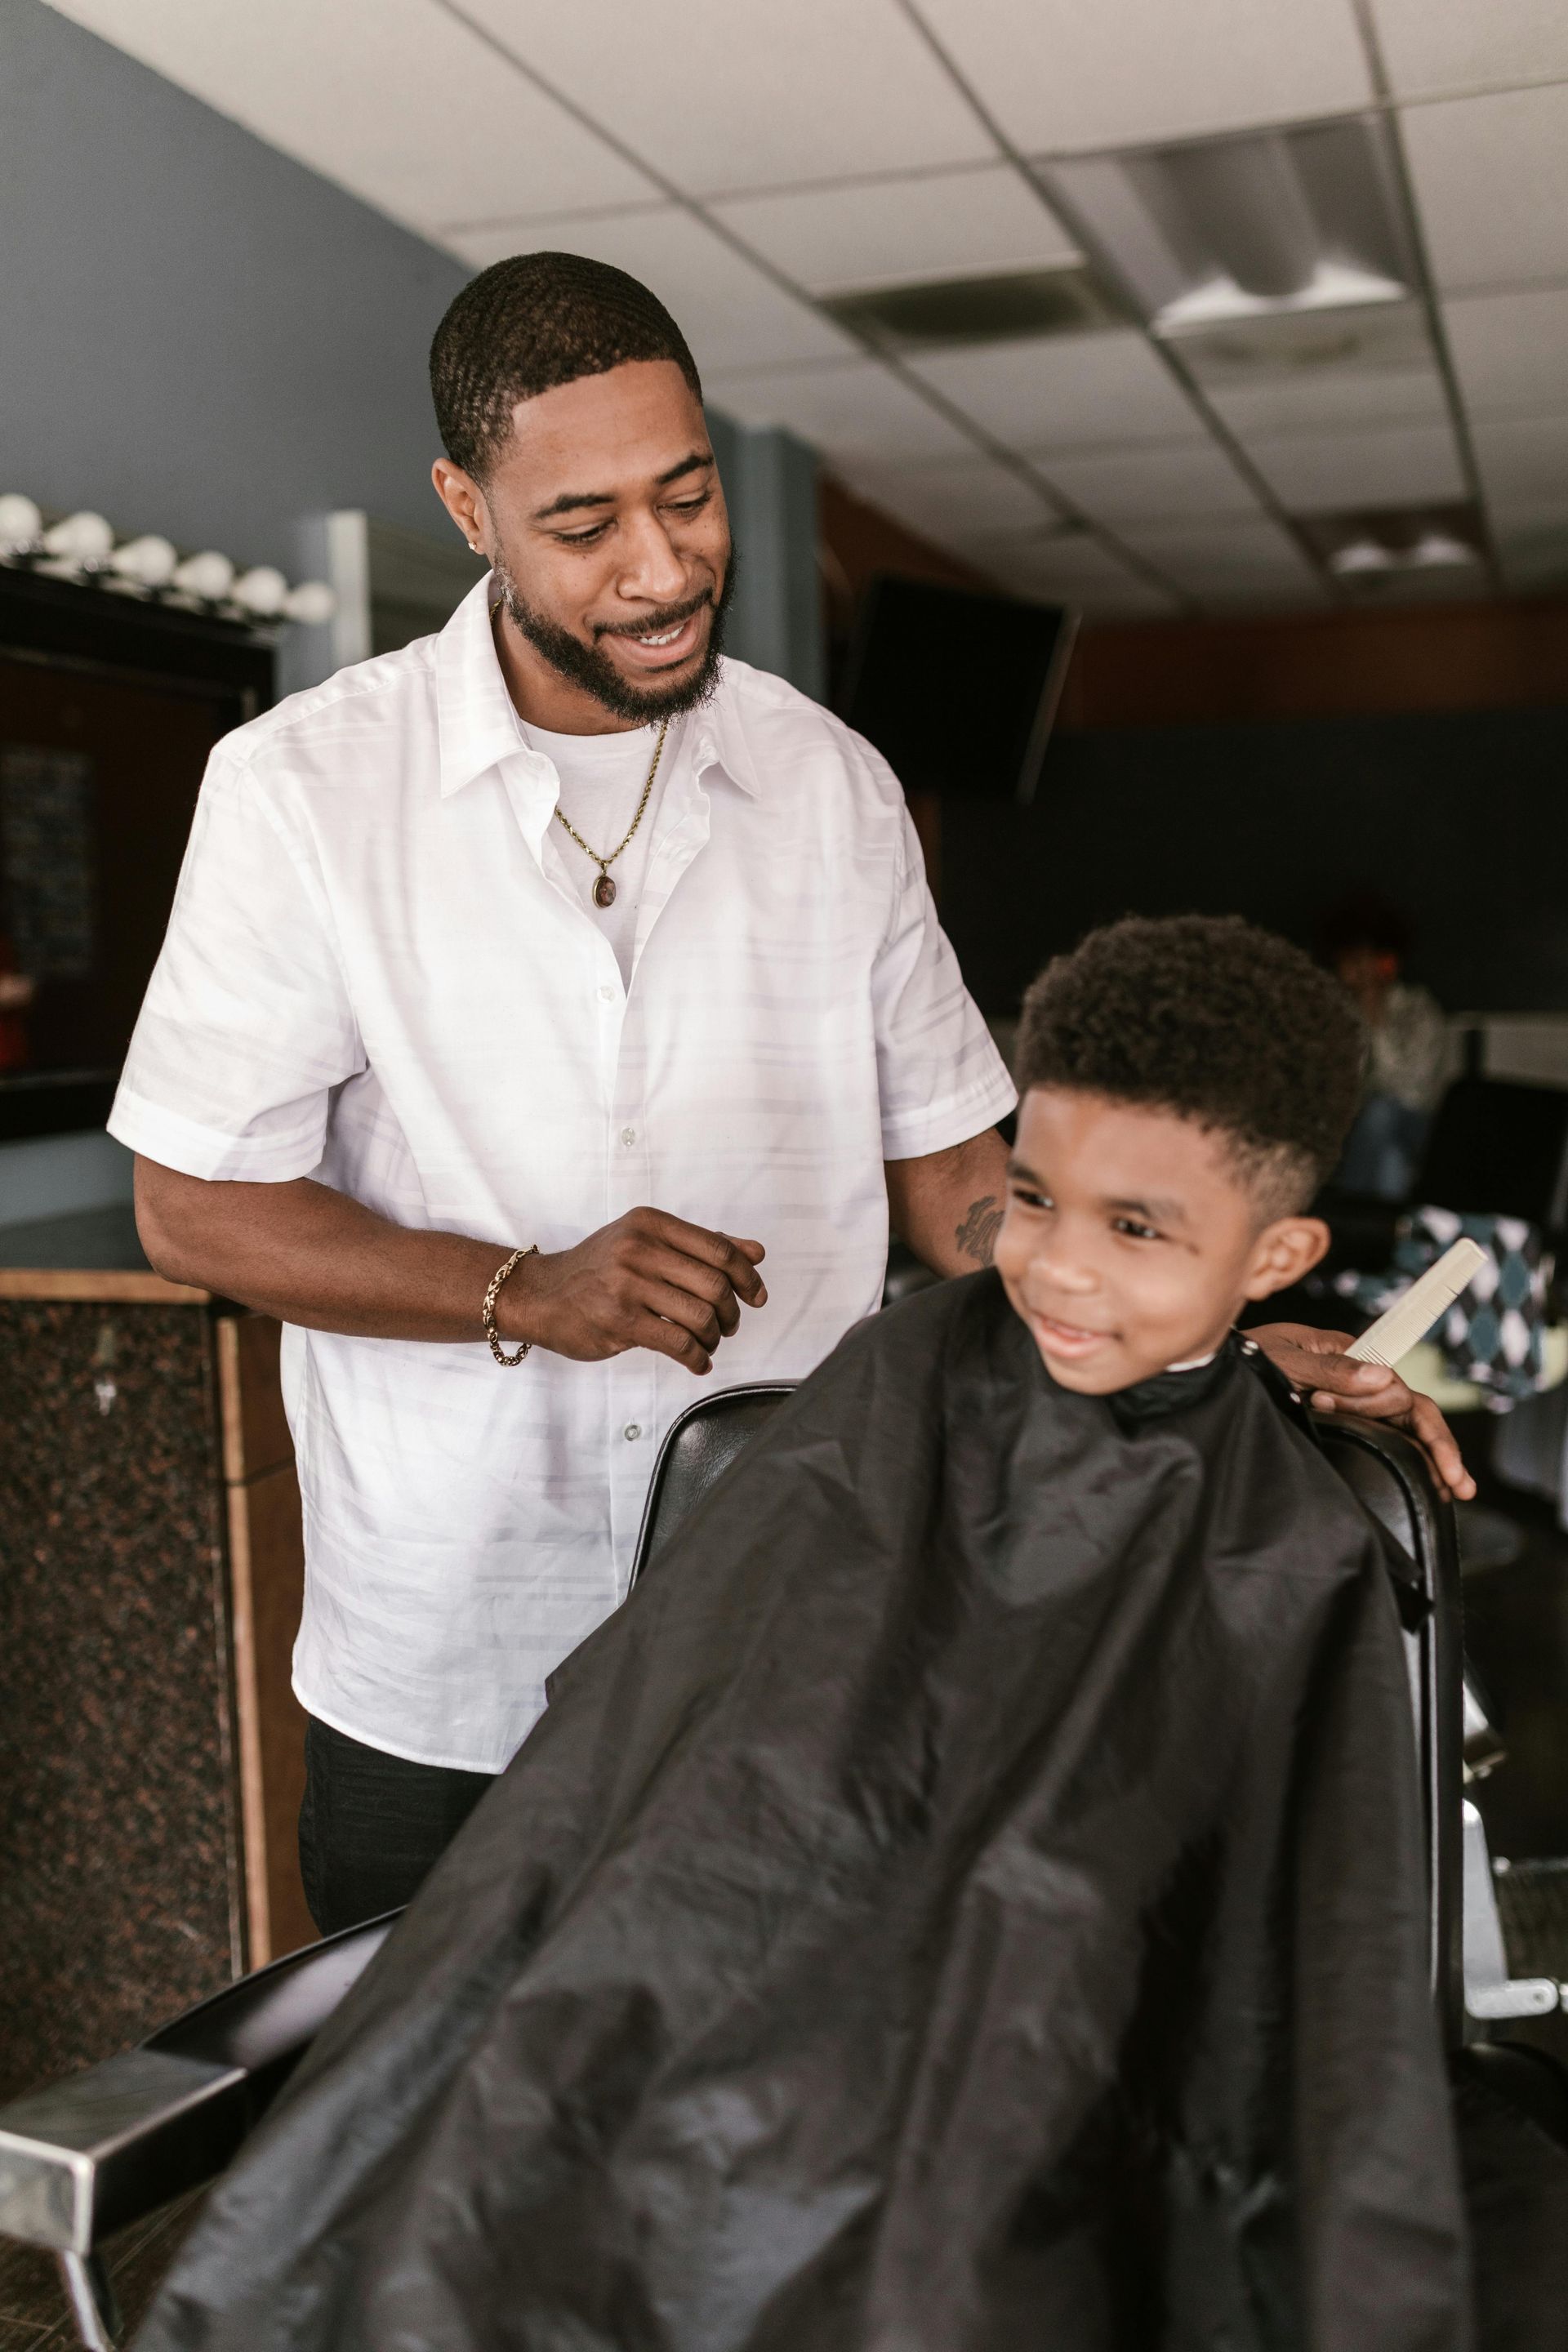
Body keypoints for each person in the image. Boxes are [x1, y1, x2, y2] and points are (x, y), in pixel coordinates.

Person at [109, 253, 1468, 1935]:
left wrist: (1191, 1342)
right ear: (469, 507)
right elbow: (192, 1207)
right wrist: (520, 1290)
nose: (664, 566)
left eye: (686, 496)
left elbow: (959, 1188)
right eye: (585, 523)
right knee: (442, 2164)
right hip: (446, 1679)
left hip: (798, 1642)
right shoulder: (302, 794)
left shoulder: (833, 787)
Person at [133, 918, 1468, 2352]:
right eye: (1032, 1201)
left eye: (1134, 1230)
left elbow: (1280, 1964)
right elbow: (671, 1759)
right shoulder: (903, 1377)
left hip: (1041, 2073)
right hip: (719, 1997)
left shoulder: (1292, 1529)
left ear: (1283, 1255)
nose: (1061, 1270)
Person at [1318, 893, 1448, 1201]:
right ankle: (1382, 1229)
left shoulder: (1418, 1009)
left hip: (1417, 1125)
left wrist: (1374, 1019)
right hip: (1357, 1135)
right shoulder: (1332, 1013)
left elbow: (1411, 1091)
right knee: (1390, 1160)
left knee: (1382, 1113)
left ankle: (1351, 1210)